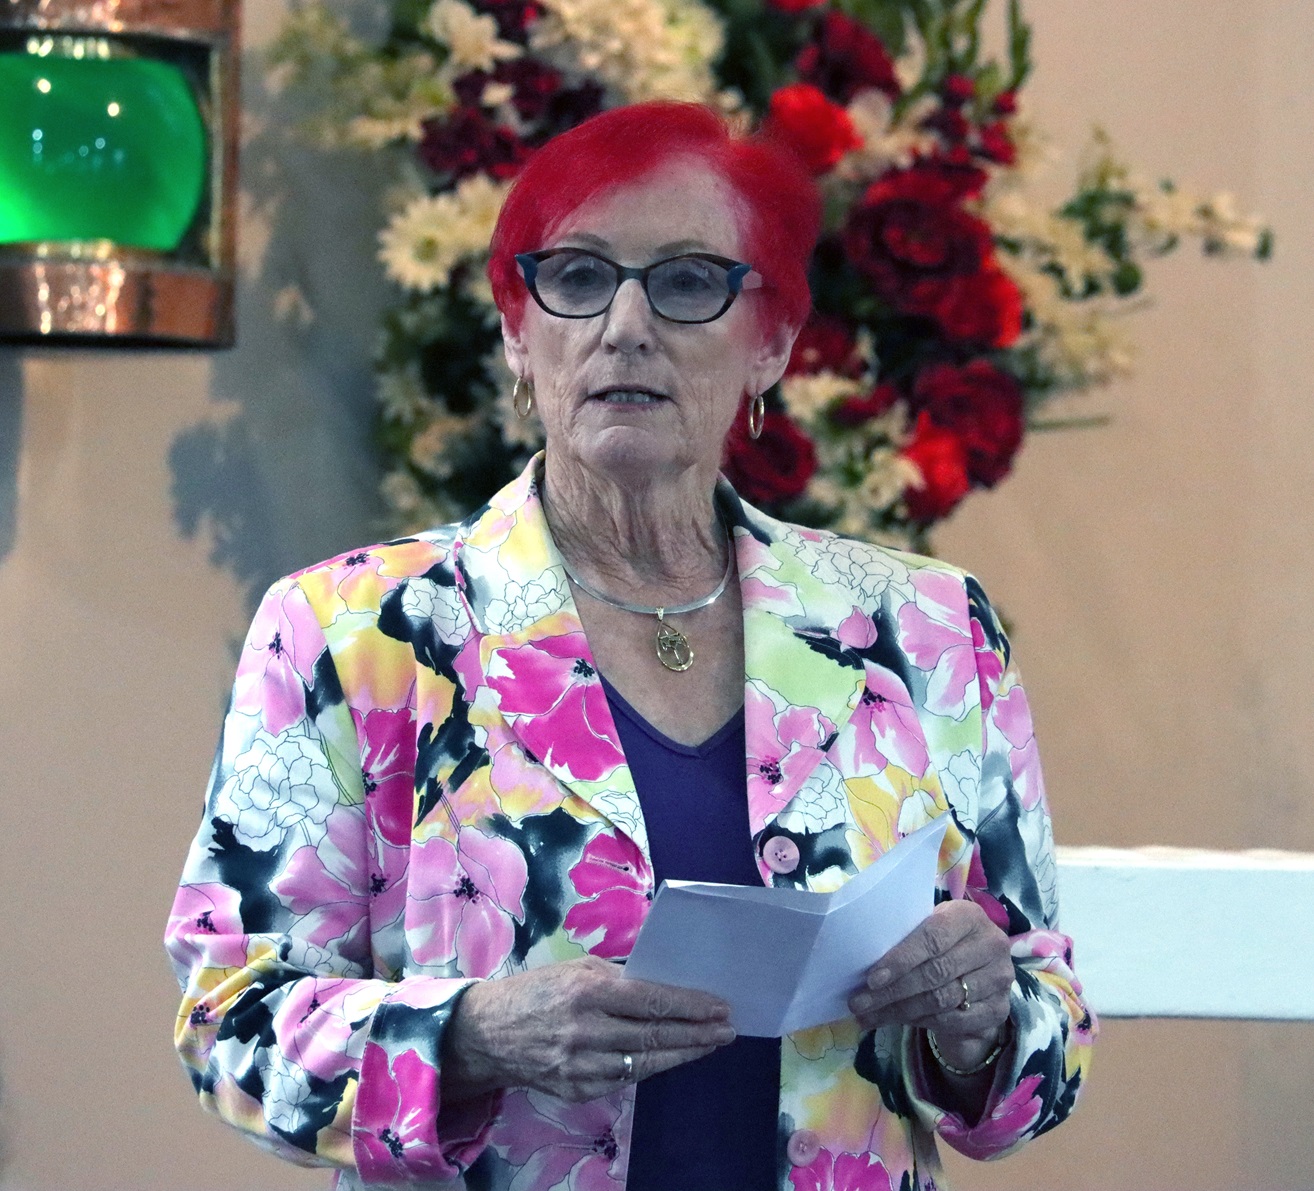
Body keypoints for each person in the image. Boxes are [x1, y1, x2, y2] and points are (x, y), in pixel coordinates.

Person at [166, 101, 1095, 1191]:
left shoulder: (927, 630)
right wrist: (465, 1035)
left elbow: (1045, 1042)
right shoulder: (354, 631)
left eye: (690, 282)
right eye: (577, 277)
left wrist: (984, 1014)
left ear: (775, 344)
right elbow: (232, 1023)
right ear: (519, 330)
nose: (625, 326)